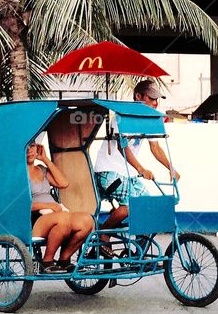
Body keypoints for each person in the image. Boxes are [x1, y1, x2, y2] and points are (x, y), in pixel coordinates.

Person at [94, 79, 180, 240]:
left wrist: (171, 168)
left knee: (148, 209)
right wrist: (141, 169)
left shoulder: (147, 120)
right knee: (133, 206)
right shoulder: (121, 117)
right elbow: (122, 146)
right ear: (138, 96)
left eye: (156, 99)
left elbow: (155, 148)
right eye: (151, 98)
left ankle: (140, 253)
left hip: (126, 175)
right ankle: (103, 233)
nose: (155, 103)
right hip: (108, 172)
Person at [27, 141, 95, 274]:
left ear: (38, 148)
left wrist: (45, 160)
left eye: (33, 146)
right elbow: (22, 205)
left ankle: (64, 260)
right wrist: (50, 206)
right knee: (64, 218)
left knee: (87, 220)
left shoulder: (41, 169)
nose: (30, 150)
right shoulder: (19, 173)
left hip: (55, 215)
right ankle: (46, 261)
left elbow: (64, 183)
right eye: (27, 147)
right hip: (34, 219)